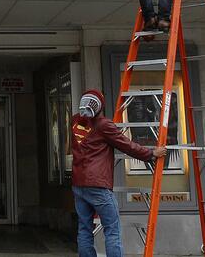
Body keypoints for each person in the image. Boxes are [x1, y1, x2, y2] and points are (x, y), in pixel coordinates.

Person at [71, 90, 167, 257]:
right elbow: (127, 145)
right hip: (98, 184)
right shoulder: (103, 125)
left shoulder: (74, 122)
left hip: (79, 184)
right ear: (100, 108)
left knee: (84, 229)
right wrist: (150, 154)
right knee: (112, 230)